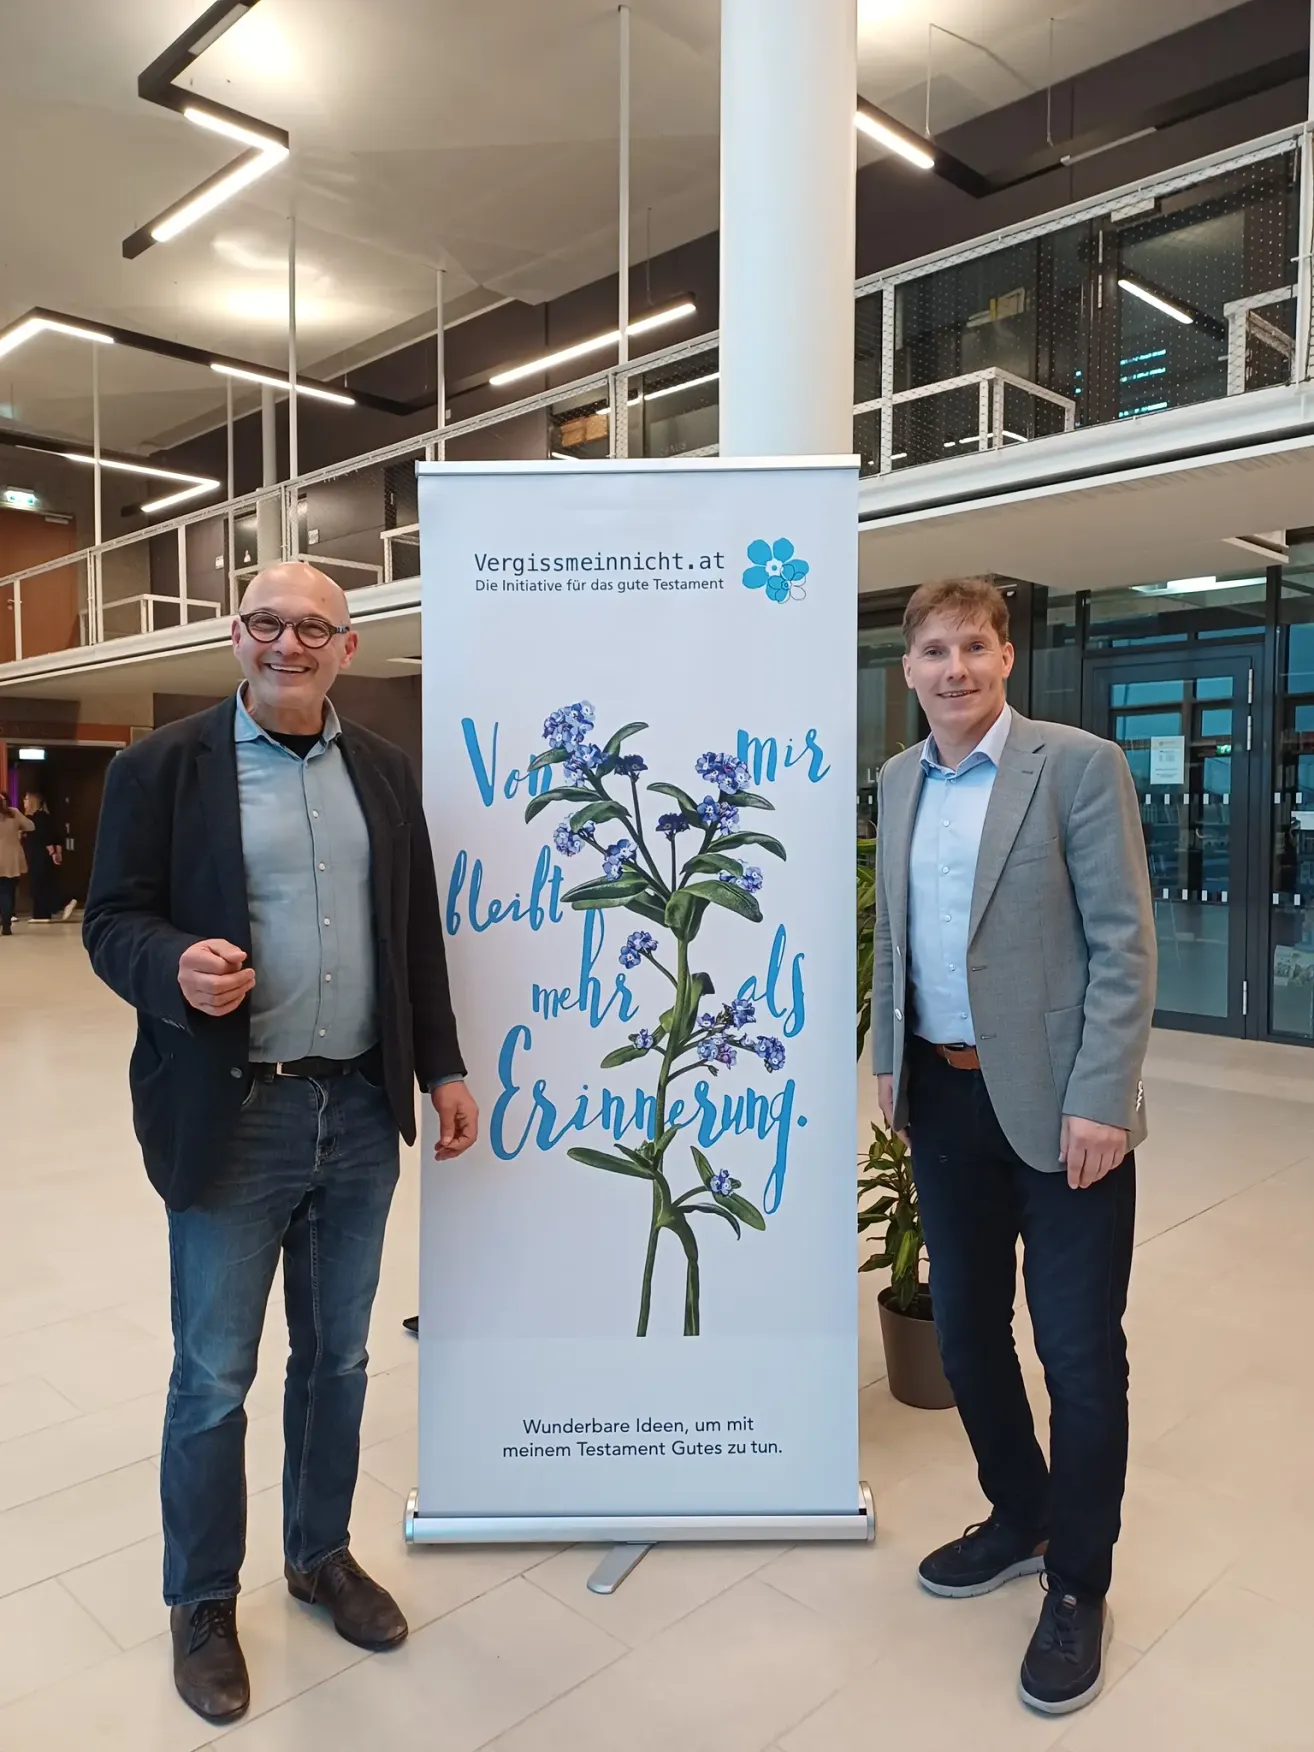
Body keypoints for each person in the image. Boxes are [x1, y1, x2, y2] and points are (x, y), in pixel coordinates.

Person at [83, 561, 479, 1725]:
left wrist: (443, 1066)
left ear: (348, 648)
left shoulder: (384, 773)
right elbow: (111, 922)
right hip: (233, 1114)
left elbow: (414, 934)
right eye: (268, 622)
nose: (288, 644)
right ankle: (203, 1599)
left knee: (339, 1358)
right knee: (213, 1374)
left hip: (355, 1109)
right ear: (236, 635)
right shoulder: (163, 767)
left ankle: (318, 1557)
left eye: (314, 628)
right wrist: (173, 967)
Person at [871, 577, 1155, 1719]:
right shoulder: (899, 779)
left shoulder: (1077, 767)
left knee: (1077, 1353)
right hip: (942, 1102)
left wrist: (1103, 1098)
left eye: (975, 648)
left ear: (1006, 658)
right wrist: (887, 1056)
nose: (956, 669)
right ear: (909, 669)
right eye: (935, 651)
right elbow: (895, 935)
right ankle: (1020, 1511)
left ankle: (1078, 1579)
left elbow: (1124, 942)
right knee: (966, 1333)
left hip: (1064, 1111)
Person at [22, 790, 76, 922]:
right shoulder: (44, 816)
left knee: (39, 883)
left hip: (39, 854)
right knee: (42, 883)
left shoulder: (38, 817)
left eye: (26, 799)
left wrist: (52, 852)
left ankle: (62, 903)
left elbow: (45, 837)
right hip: (40, 854)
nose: (24, 801)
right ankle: (42, 913)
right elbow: (56, 836)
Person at [0, 795, 33, 935]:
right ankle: (6, 925)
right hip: (12, 859)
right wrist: (19, 830)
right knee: (8, 891)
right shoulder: (13, 813)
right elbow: (31, 826)